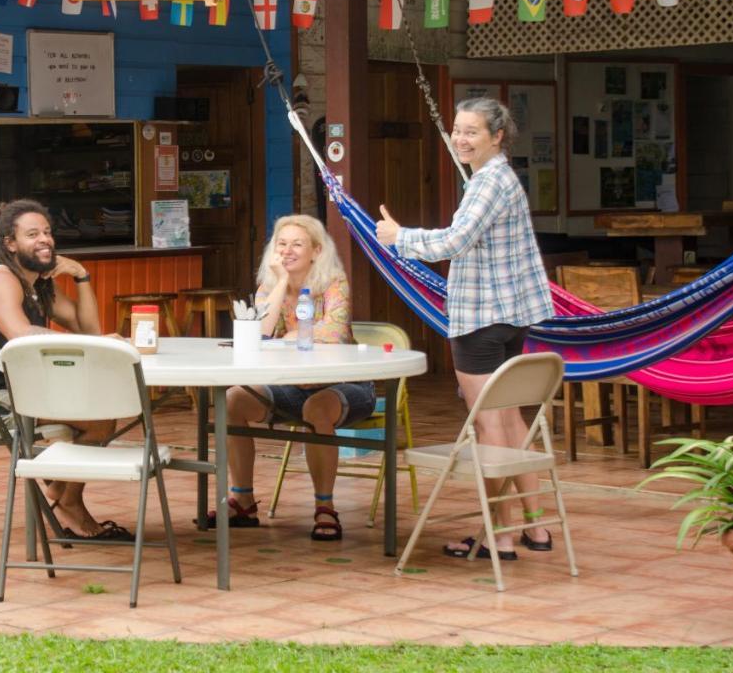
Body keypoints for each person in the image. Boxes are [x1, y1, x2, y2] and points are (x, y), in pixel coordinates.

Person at [375, 97, 555, 561]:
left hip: (480, 319)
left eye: (472, 131)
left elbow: (455, 240)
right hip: (509, 316)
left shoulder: (487, 182)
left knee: (489, 421)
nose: (460, 138)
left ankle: (499, 534)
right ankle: (535, 526)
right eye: (457, 130)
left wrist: (401, 238)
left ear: (497, 137)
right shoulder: (497, 178)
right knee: (511, 418)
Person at [0, 198, 129, 541]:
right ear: (10, 243)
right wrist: (91, 345)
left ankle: (61, 496)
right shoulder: (2, 279)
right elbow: (21, 334)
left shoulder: (36, 284)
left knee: (103, 415)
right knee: (100, 417)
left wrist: (81, 276)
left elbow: (88, 329)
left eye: (48, 233)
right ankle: (68, 502)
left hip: (25, 391)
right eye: (32, 234)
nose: (45, 240)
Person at [213, 214, 375, 542]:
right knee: (234, 399)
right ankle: (243, 501)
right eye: (281, 243)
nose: (287, 250)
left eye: (297, 244)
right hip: (291, 386)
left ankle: (325, 508)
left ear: (315, 250)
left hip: (345, 385)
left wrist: (288, 336)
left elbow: (335, 332)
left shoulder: (334, 282)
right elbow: (258, 332)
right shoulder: (269, 287)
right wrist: (281, 283)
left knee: (316, 408)